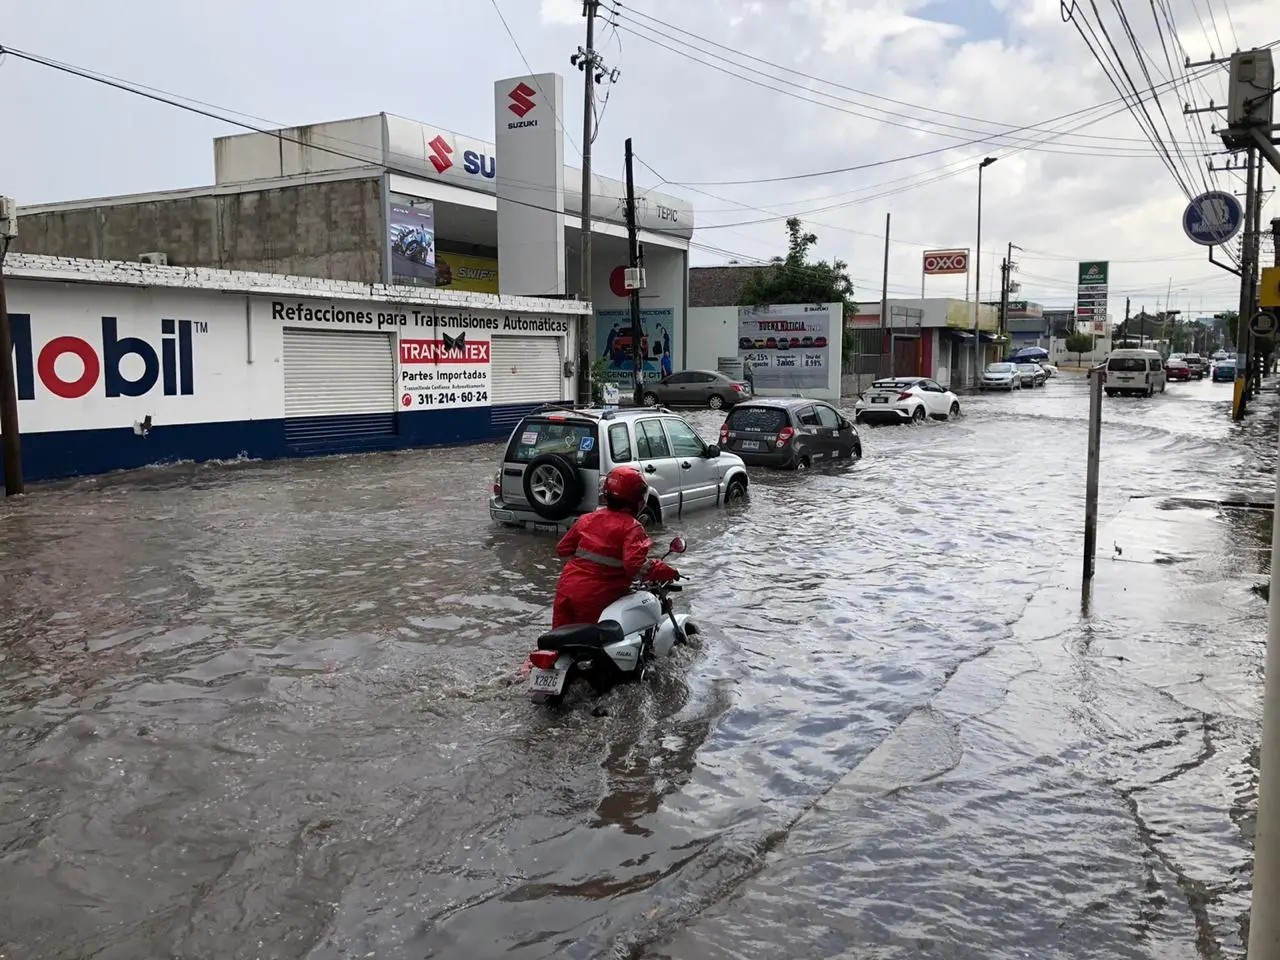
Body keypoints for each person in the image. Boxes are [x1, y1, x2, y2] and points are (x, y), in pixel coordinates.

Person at [550, 466, 679, 628]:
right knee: (600, 647)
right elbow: (637, 565)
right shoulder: (632, 527)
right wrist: (669, 571)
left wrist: (581, 572)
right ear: (638, 499)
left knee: (557, 641)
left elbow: (563, 549)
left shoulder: (587, 519)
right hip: (596, 598)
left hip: (566, 591)